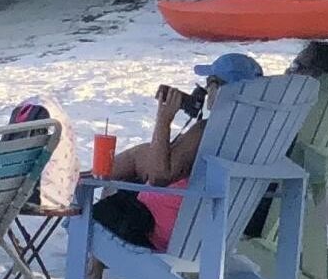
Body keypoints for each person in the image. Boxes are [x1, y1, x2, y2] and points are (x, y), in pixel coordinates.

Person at [110, 51, 262, 187]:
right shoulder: (260, 130)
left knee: (130, 165)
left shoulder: (210, 130)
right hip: (232, 200)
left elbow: (159, 177)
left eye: (210, 82)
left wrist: (163, 120)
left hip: (184, 203)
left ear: (222, 89)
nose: (207, 90)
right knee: (139, 155)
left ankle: (96, 177)